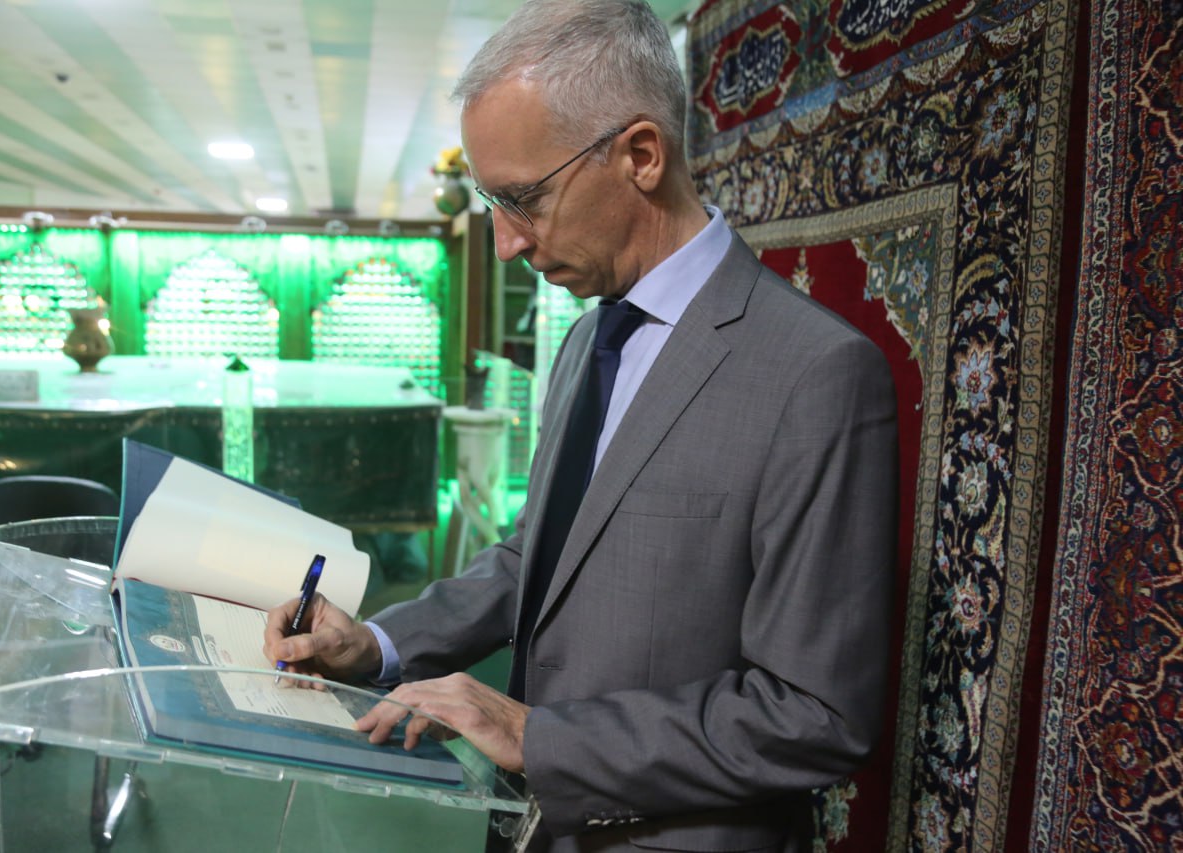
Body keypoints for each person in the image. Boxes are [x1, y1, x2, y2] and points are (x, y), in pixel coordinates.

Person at [264, 1, 898, 849]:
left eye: (524, 199)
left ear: (641, 155)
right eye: (492, 202)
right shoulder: (583, 341)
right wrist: (377, 642)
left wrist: (536, 736)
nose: (505, 243)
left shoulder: (815, 372)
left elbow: (815, 714)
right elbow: (537, 558)